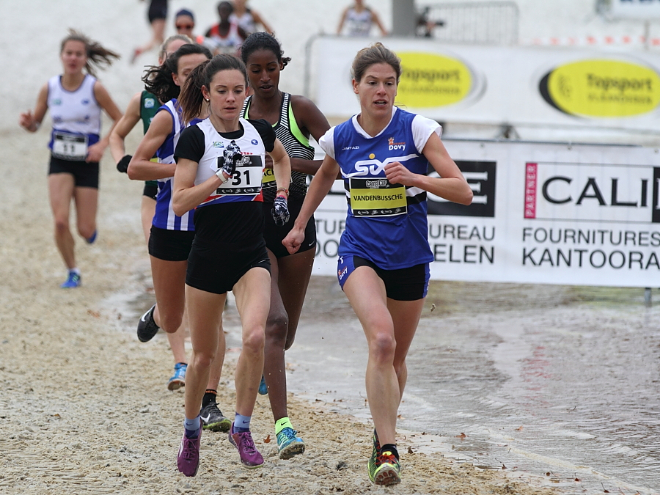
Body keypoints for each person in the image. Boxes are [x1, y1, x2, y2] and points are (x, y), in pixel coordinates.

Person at [282, 43, 473, 485]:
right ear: (356, 87)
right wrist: (299, 224)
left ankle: (379, 435)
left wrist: (414, 177)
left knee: (396, 358)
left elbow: (462, 191)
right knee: (382, 343)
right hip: (359, 253)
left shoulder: (418, 130)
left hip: (409, 257)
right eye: (373, 83)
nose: (381, 91)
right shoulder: (341, 137)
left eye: (389, 83)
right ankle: (390, 449)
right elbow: (326, 174)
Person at [171, 54, 291, 475]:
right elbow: (180, 200)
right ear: (206, 93)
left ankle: (242, 427)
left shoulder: (259, 131)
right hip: (207, 258)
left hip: (250, 255)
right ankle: (190, 433)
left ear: (246, 93)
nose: (230, 98)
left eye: (237, 90)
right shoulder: (194, 138)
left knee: (256, 337)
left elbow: (282, 159)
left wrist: (281, 196)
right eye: (221, 91)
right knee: (203, 357)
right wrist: (217, 179)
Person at [126, 45, 230, 430]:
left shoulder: (224, 117)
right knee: (173, 318)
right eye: (188, 72)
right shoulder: (168, 117)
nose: (196, 77)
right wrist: (182, 170)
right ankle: (156, 313)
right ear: (176, 78)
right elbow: (135, 168)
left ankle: (209, 400)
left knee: (214, 319)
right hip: (171, 228)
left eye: (202, 70)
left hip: (213, 229)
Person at [240, 32, 330, 459]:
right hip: (250, 225)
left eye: (270, 68)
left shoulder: (300, 109)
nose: (263, 77)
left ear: (281, 66)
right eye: (254, 70)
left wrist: (286, 162)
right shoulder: (234, 110)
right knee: (273, 323)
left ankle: (266, 368)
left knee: (286, 333)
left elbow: (339, 159)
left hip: (297, 220)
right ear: (244, 70)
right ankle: (283, 427)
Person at [19, 29, 123, 289]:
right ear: (61, 56)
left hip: (88, 161)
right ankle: (72, 270)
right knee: (60, 220)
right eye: (69, 53)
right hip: (60, 160)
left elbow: (120, 119)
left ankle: (89, 232)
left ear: (85, 58)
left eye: (78, 54)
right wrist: (29, 123)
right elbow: (37, 124)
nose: (73, 58)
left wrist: (101, 145)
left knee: (85, 230)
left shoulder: (94, 87)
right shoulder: (50, 87)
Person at [111, 34, 192, 246]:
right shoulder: (143, 99)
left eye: (184, 54)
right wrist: (121, 159)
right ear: (160, 59)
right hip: (153, 186)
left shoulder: (200, 101)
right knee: (154, 248)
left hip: (191, 187)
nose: (178, 58)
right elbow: (117, 135)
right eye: (173, 54)